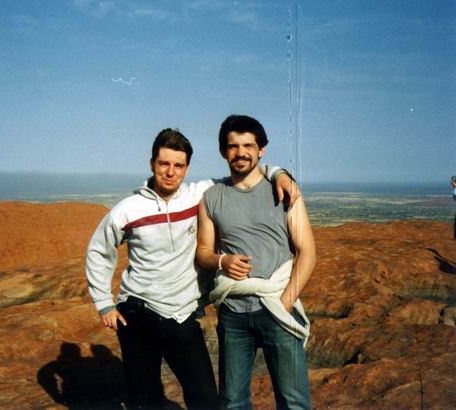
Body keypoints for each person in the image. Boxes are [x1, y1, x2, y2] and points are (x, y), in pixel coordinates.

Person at [85, 128, 298, 409]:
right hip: (136, 315)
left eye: (179, 165)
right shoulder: (128, 209)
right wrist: (104, 303)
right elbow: (99, 250)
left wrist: (279, 173)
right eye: (164, 164)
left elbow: (245, 170)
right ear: (152, 164)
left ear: (187, 168)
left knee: (205, 399)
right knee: (144, 399)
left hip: (180, 315)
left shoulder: (199, 194)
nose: (171, 172)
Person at [197, 115, 316, 409]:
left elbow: (307, 251)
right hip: (234, 315)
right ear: (224, 151)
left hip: (278, 309)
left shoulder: (285, 191)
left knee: (293, 403)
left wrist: (285, 303)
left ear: (261, 149)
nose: (241, 152)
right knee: (232, 402)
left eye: (248, 145)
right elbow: (202, 251)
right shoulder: (211, 197)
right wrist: (222, 260)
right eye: (233, 146)